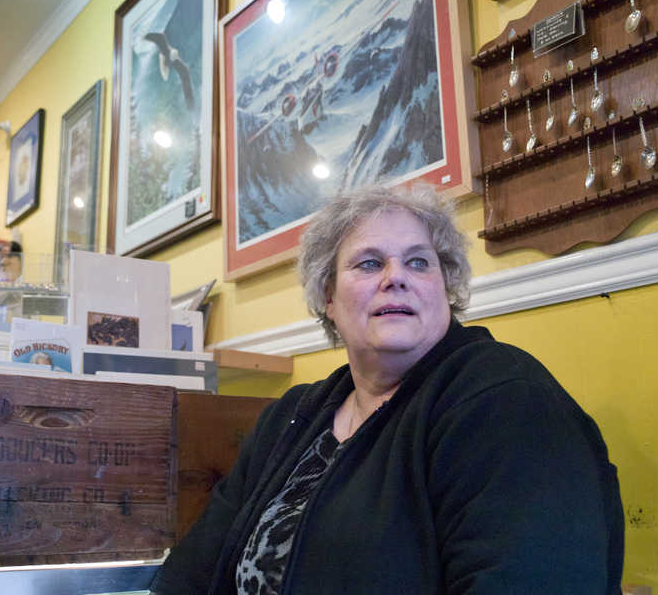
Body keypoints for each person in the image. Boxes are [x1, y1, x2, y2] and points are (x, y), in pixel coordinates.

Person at [149, 184, 623, 594]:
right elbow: (194, 571)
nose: (396, 277)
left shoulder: (504, 399)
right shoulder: (291, 416)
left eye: (418, 262)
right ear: (329, 297)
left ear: (445, 288)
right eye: (369, 263)